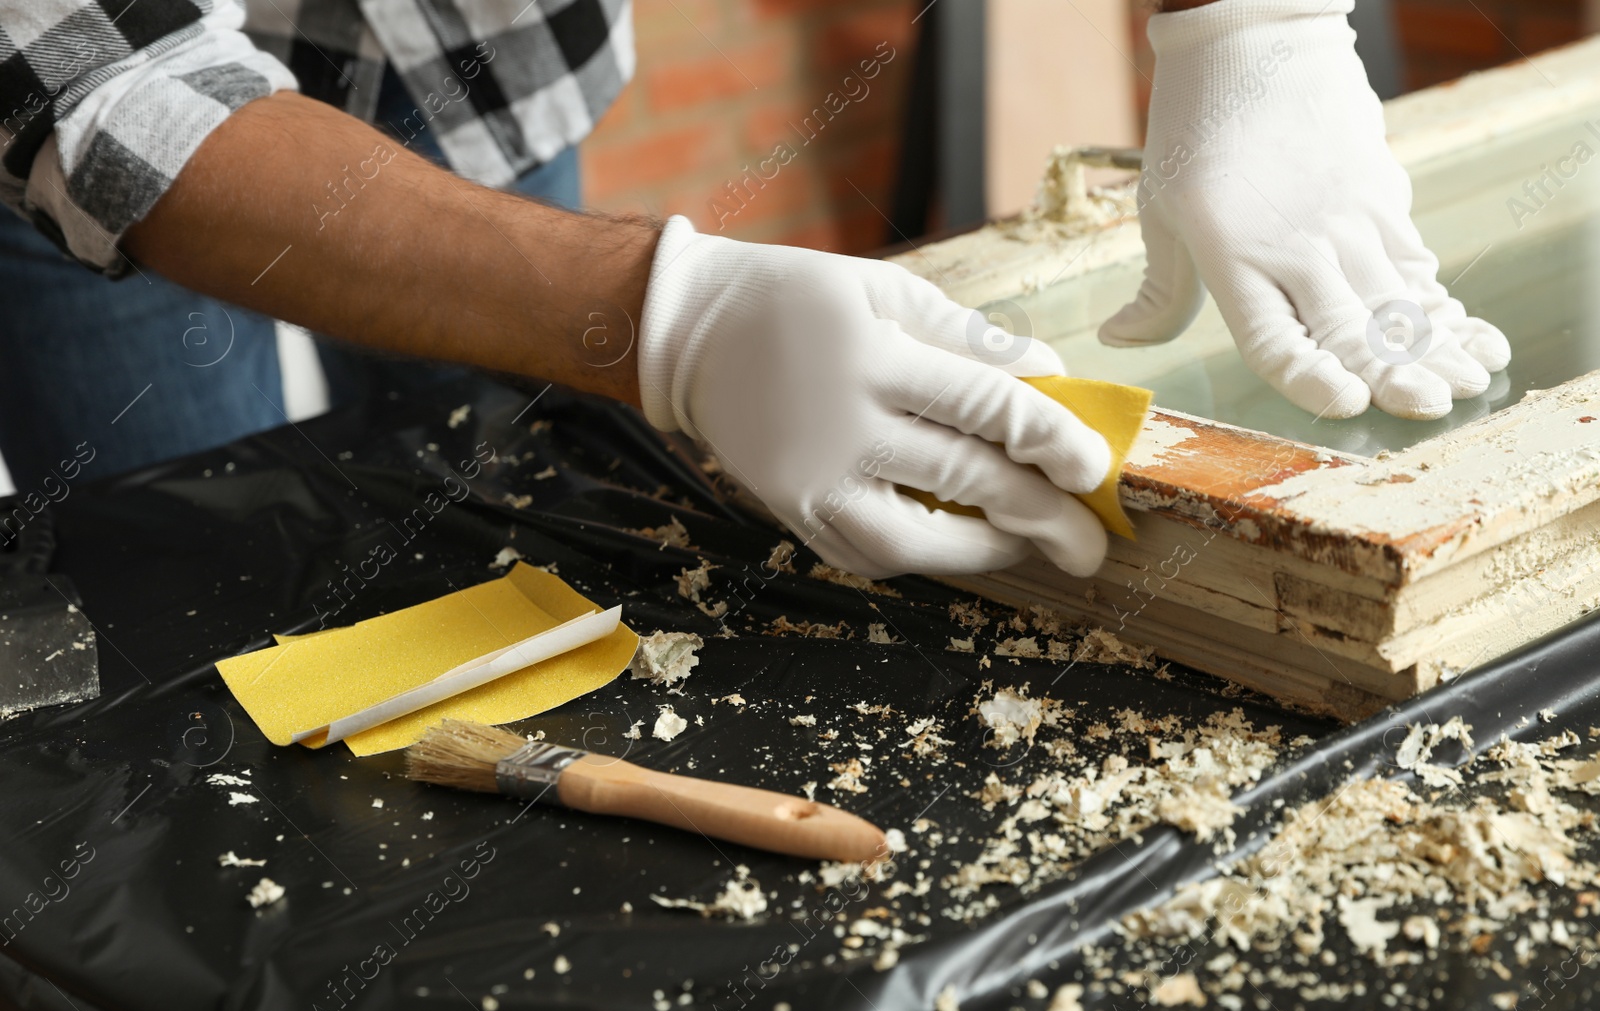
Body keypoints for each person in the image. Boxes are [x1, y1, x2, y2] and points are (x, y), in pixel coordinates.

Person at [0, 0, 1509, 582]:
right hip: (111, 137)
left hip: (471, 53)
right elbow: (108, 80)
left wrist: (1252, 26)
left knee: (519, 509)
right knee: (177, 570)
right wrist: (665, 314)